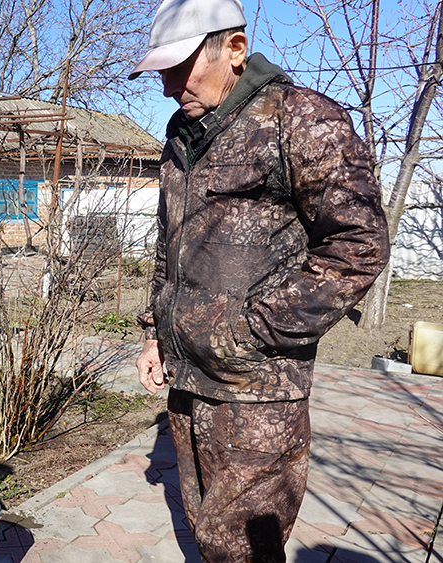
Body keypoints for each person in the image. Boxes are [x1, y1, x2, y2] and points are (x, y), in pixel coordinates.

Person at [129, 0, 390, 560]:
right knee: (207, 533)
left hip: (257, 389)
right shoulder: (183, 133)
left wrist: (250, 331)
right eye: (162, 72)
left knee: (240, 548)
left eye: (180, 67)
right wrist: (156, 332)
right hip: (187, 378)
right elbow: (169, 242)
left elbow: (358, 245)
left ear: (235, 50)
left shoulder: (300, 118)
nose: (170, 87)